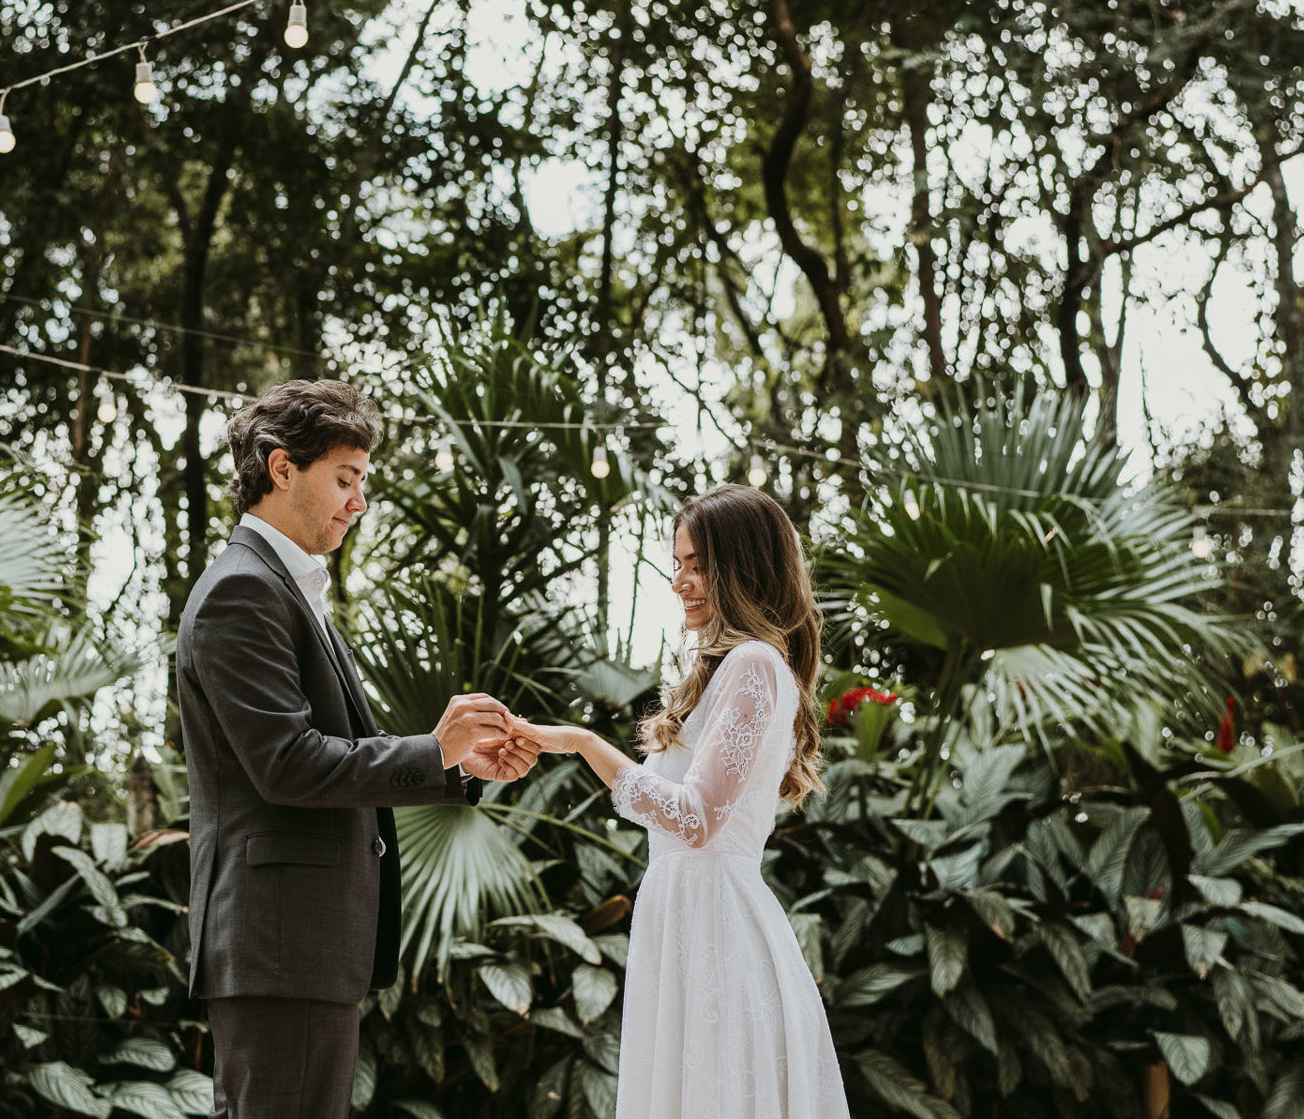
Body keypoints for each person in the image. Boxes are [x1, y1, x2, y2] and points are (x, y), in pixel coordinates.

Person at [174, 379, 539, 1119]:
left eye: (361, 482)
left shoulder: (285, 586)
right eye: (346, 479)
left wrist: (452, 764)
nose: (359, 502)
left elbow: (337, 751)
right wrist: (430, 747)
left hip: (298, 947)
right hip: (280, 945)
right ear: (282, 469)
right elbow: (289, 765)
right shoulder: (240, 591)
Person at [515, 484, 851, 1117]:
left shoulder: (754, 664)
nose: (680, 580)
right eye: (678, 564)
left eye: (699, 565)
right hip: (686, 919)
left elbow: (695, 820)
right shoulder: (729, 669)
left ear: (745, 567)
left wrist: (584, 743)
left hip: (717, 925)